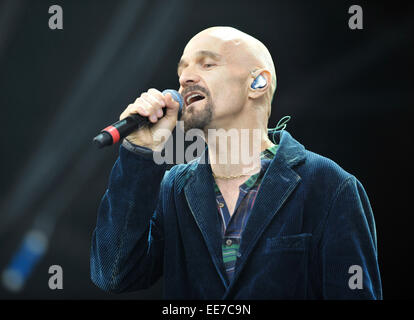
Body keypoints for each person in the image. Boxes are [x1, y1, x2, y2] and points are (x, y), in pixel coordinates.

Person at [90, 26, 382, 299]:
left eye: (207, 64)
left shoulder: (329, 185)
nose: (185, 78)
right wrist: (140, 154)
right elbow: (113, 274)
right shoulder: (174, 189)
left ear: (257, 82)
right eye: (182, 69)